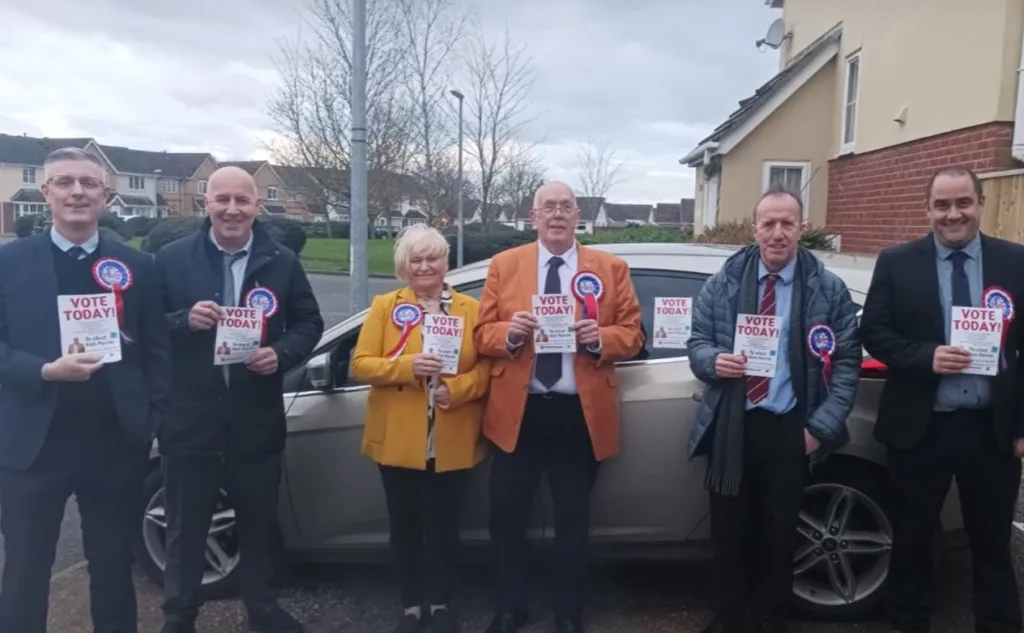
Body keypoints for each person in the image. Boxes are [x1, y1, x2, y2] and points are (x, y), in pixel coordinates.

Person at [0, 147, 171, 633]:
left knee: (113, 565)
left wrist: (151, 421)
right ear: (47, 193)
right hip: (32, 444)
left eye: (88, 183)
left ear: (106, 195)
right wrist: (44, 371)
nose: (77, 191)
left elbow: (158, 351)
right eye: (65, 183)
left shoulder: (138, 266)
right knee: (26, 568)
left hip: (113, 443)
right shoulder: (8, 264)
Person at [154, 166, 324, 633]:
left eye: (242, 201)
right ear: (205, 203)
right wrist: (183, 319)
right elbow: (143, 325)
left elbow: (310, 322)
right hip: (191, 419)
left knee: (258, 523)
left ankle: (262, 610)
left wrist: (281, 352)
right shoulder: (170, 258)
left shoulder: (281, 260)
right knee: (186, 528)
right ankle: (179, 617)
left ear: (256, 206)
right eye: (222, 199)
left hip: (255, 417)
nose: (232, 209)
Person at [687, 184, 861, 633]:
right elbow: (697, 343)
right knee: (728, 533)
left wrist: (820, 427)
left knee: (779, 534)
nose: (778, 232)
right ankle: (728, 617)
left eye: (788, 223)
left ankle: (768, 619)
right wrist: (712, 361)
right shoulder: (723, 282)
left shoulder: (827, 288)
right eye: (769, 223)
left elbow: (846, 363)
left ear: (802, 227)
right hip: (733, 425)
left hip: (790, 427)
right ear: (755, 228)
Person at [859, 165, 1024, 633]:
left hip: (990, 430)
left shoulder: (1016, 262)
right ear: (927, 208)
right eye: (942, 205)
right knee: (912, 542)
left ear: (980, 203)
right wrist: (925, 356)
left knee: (991, 544)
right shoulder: (896, 261)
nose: (954, 214)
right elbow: (873, 332)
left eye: (963, 203)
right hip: (921, 427)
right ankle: (909, 624)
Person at [474, 180, 644, 633]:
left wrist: (599, 338)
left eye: (565, 207)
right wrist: (511, 332)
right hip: (519, 413)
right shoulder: (504, 265)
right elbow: (481, 333)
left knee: (573, 522)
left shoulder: (609, 268)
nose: (556, 215)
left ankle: (568, 613)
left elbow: (633, 334)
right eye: (547, 208)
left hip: (578, 414)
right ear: (533, 217)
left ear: (577, 217)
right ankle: (511, 608)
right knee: (507, 517)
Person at [351, 224, 491, 633]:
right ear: (404, 266)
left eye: (433, 257)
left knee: (446, 527)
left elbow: (488, 368)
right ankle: (411, 607)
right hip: (399, 438)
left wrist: (460, 389)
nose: (426, 266)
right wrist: (406, 366)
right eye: (417, 259)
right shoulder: (385, 306)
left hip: (452, 436)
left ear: (446, 261)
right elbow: (360, 364)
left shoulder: (471, 308)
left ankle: (442, 604)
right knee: (406, 526)